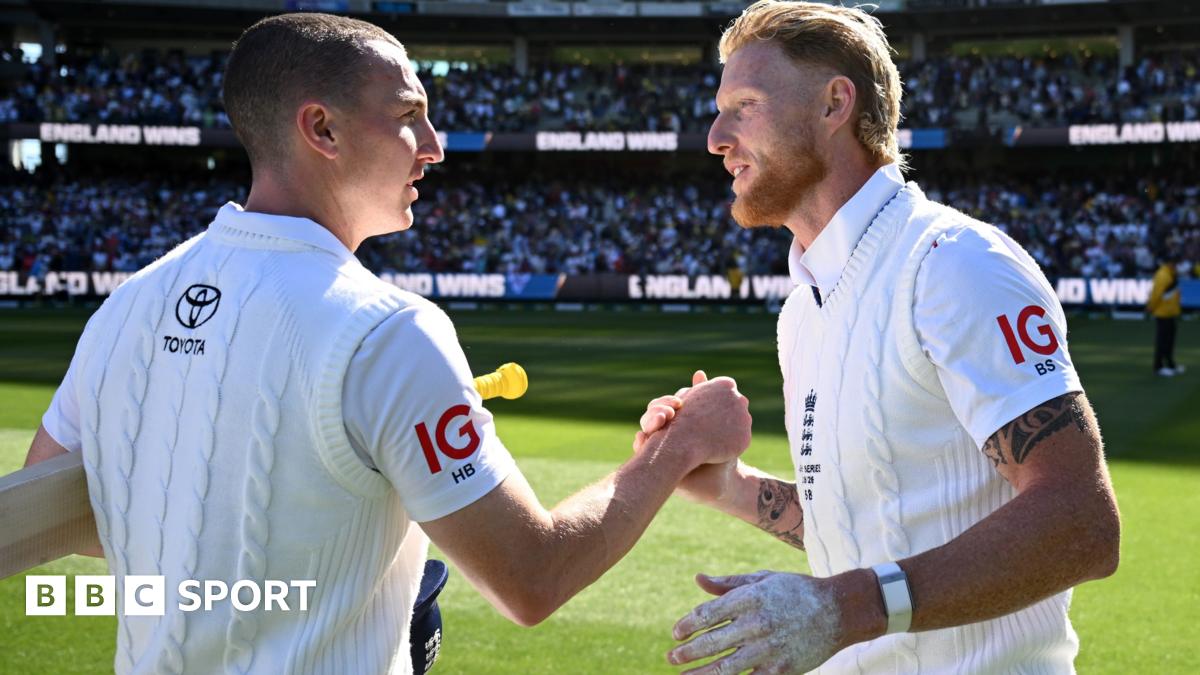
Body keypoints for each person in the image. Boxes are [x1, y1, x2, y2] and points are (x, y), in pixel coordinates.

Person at [22, 13, 752, 674]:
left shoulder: (128, 304)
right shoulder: (387, 330)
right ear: (323, 129)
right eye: (410, 116)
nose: (435, 148)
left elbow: (50, 511)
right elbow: (533, 575)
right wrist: (679, 445)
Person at [637, 2, 1120, 672]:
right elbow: (870, 529)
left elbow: (1081, 524)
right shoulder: (802, 309)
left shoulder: (953, 262)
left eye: (744, 104)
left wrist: (849, 605)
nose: (716, 135)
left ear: (836, 103)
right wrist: (732, 487)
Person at [1147, 252, 1183, 376]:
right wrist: (1151, 307)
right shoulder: (1163, 275)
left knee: (1169, 341)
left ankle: (1170, 364)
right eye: (1174, 263)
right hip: (1163, 313)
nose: (1176, 265)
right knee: (1162, 341)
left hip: (1170, 312)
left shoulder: (1170, 274)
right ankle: (1158, 367)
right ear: (1169, 263)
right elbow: (1156, 294)